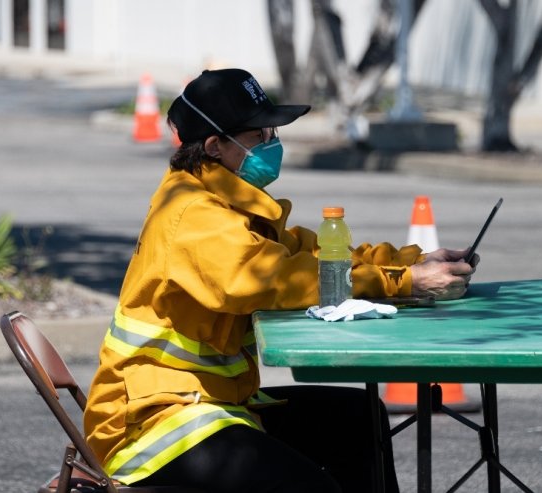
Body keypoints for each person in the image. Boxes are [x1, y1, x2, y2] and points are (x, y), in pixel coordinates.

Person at [84, 68, 477, 493]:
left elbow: (315, 255)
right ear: (216, 146)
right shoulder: (195, 217)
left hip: (204, 404)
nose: (273, 144)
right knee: (311, 488)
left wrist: (413, 261)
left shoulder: (227, 203)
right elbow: (274, 280)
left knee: (359, 416)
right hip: (155, 425)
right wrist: (402, 282)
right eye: (260, 135)